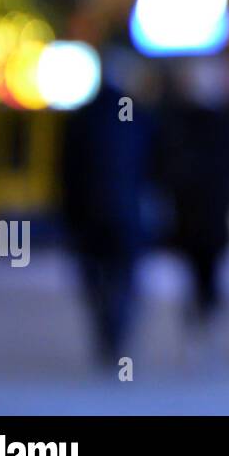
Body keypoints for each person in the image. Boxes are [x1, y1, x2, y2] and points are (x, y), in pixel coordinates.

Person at [60, 47, 153, 369]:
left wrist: (68, 213)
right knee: (123, 277)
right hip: (125, 214)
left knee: (96, 278)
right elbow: (153, 168)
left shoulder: (83, 116)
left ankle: (106, 330)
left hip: (89, 215)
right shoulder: (139, 117)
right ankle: (115, 332)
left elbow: (65, 171)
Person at [153, 56, 229, 357]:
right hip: (191, 213)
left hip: (211, 214)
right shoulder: (178, 120)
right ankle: (200, 323)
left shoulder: (224, 121)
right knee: (195, 271)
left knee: (210, 271)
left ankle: (207, 321)